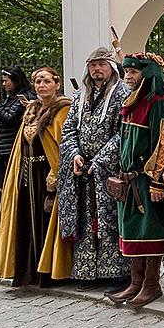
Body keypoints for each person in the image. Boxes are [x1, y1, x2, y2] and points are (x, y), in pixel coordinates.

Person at [57, 48, 131, 292]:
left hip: (108, 170)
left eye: (102, 64)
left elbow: (123, 133)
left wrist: (100, 160)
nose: (97, 69)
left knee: (109, 221)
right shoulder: (80, 96)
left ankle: (117, 274)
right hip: (82, 169)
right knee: (86, 221)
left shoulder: (122, 94)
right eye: (93, 65)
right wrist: (76, 155)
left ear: (111, 67)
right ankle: (89, 272)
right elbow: (69, 130)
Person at [106, 53, 164, 307]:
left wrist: (158, 181)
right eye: (127, 72)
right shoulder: (131, 103)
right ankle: (135, 283)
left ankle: (151, 284)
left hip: (147, 181)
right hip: (130, 181)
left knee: (150, 230)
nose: (128, 77)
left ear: (148, 74)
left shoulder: (158, 103)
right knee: (132, 230)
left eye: (134, 72)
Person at [0, 67, 72, 287]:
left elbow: (61, 146)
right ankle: (29, 271)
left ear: (57, 83)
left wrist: (55, 176)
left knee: (47, 220)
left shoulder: (63, 109)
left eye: (46, 81)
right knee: (26, 219)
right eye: (37, 82)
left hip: (48, 173)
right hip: (27, 173)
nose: (41, 86)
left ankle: (49, 272)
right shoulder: (32, 109)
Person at [0, 67, 35, 227]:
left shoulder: (24, 97)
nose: (4, 84)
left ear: (15, 81)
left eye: (6, 81)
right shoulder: (11, 97)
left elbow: (9, 118)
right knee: (1, 182)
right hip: (2, 147)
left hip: (13, 146)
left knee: (13, 183)